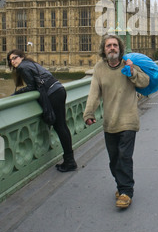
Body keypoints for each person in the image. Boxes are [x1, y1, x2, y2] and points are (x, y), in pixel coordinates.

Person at [83, 34, 150, 209]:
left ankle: (126, 191)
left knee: (124, 156)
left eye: (115, 45)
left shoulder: (129, 64)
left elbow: (145, 82)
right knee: (114, 159)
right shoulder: (99, 68)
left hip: (128, 119)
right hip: (110, 121)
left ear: (120, 48)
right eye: (108, 46)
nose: (112, 48)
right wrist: (89, 112)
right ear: (104, 50)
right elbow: (94, 93)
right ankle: (121, 184)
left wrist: (133, 72)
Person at [7, 49, 77, 172]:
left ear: (21, 57)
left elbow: (31, 87)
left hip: (53, 93)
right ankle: (69, 159)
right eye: (10, 60)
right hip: (58, 89)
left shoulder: (22, 67)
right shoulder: (31, 63)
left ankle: (70, 161)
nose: (12, 61)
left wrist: (16, 94)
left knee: (60, 127)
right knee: (63, 127)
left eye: (15, 58)